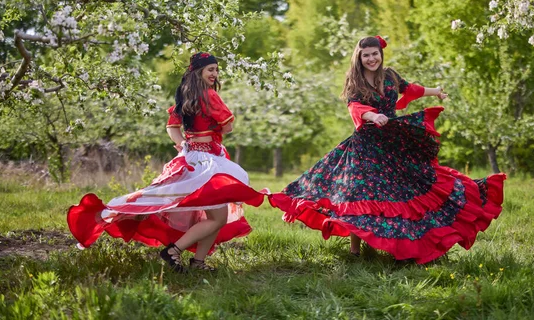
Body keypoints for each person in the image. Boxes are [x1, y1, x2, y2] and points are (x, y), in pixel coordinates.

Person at [268, 36, 505, 264]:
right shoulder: (355, 82)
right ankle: (355, 251)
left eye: (375, 54)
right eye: (366, 56)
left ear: (380, 54)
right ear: (359, 58)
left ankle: (402, 243)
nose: (371, 59)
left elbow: (410, 88)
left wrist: (435, 91)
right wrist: (373, 115)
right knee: (360, 195)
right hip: (366, 146)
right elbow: (355, 107)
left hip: (392, 142)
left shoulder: (390, 74)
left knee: (403, 191)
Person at [67, 52, 267, 273]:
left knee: (212, 214)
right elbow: (228, 126)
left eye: (216, 70)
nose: (215, 74)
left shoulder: (185, 96)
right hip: (207, 162)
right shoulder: (210, 95)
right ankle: (174, 251)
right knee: (217, 217)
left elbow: (172, 127)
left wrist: (184, 144)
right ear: (199, 71)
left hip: (192, 157)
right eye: (210, 69)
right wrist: (211, 130)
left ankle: (198, 262)